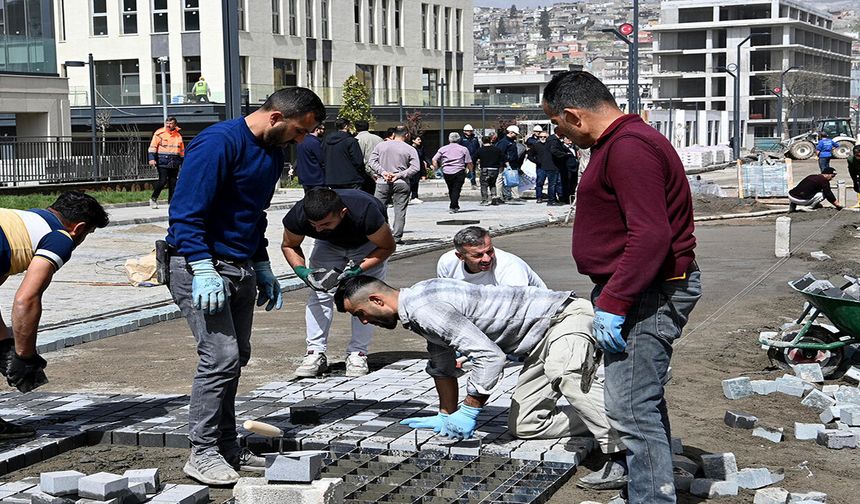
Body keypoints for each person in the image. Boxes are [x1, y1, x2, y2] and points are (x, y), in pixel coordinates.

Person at [542, 70, 701, 504]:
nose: (559, 134)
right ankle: (650, 486)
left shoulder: (628, 148)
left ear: (573, 115)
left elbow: (651, 235)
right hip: (637, 289)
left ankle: (652, 498)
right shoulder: (621, 143)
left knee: (630, 408)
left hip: (646, 292)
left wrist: (614, 299)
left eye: (557, 124)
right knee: (639, 401)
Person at [166, 87, 325, 485]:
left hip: (239, 266)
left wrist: (262, 265)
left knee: (237, 357)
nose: (301, 141)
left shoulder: (271, 154)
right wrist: (202, 267)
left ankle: (225, 446)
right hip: (199, 265)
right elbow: (185, 212)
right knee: (219, 357)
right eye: (299, 131)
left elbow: (252, 216)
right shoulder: (219, 143)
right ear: (275, 117)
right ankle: (201, 450)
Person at [335, 276, 628, 491]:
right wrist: (445, 415)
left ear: (376, 300)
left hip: (563, 318)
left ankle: (622, 456)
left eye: (360, 314)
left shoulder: (425, 308)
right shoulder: (416, 309)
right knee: (526, 426)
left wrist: (470, 410)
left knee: (566, 374)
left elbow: (490, 358)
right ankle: (617, 412)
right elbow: (442, 365)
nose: (363, 322)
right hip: (538, 341)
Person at [0, 192, 108, 437]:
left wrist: (4, 344)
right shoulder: (60, 237)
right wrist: (24, 357)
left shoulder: (20, 223)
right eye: (87, 234)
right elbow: (26, 299)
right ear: (79, 228)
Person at [282, 188, 396, 378]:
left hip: (368, 244)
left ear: (342, 213)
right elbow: (289, 245)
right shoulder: (299, 215)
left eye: (325, 223)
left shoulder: (366, 212)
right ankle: (315, 353)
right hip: (328, 245)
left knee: (366, 297)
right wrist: (302, 271)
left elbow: (388, 246)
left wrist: (358, 270)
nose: (317, 229)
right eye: (313, 225)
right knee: (319, 293)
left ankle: (358, 353)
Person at [437, 226, 545, 288]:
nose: (487, 259)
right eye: (478, 255)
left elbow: (517, 307)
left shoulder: (510, 267)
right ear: (460, 256)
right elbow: (446, 298)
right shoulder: (447, 263)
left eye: (490, 251)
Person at [369, 125, 420, 244]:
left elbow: (371, 161)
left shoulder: (381, 145)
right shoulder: (410, 149)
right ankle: (397, 237)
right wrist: (400, 174)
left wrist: (383, 172)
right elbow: (416, 167)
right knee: (400, 211)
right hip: (401, 182)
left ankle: (381, 235)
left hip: (383, 181)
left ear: (393, 134)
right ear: (406, 135)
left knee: (378, 209)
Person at [148, 117, 185, 209]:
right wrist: (152, 159)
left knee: (173, 182)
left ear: (175, 124)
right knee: (163, 181)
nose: (168, 125)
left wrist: (184, 161)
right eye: (167, 123)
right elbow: (153, 147)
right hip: (162, 161)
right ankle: (153, 198)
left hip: (175, 161)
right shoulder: (159, 133)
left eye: (171, 123)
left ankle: (171, 202)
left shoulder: (178, 135)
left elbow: (181, 150)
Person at [324, 118, 369, 192]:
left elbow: (323, 158)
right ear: (346, 126)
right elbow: (358, 161)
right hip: (351, 179)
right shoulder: (351, 141)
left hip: (332, 179)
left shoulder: (326, 141)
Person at [432, 132, 473, 214]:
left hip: (447, 171)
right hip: (459, 171)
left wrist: (436, 169)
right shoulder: (463, 149)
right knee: (456, 189)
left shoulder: (443, 149)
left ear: (449, 139)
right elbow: (469, 162)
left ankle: (455, 205)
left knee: (451, 188)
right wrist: (471, 171)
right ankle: (453, 206)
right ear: (459, 139)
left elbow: (434, 159)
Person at [531, 130, 562, 205]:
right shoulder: (536, 145)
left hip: (550, 166)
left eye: (545, 137)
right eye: (540, 137)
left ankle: (553, 198)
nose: (542, 138)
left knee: (553, 183)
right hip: (540, 167)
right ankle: (539, 197)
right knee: (540, 182)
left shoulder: (550, 144)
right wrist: (537, 161)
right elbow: (530, 155)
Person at [474, 136, 504, 206]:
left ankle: (485, 200)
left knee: (484, 185)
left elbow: (474, 158)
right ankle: (494, 198)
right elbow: (503, 157)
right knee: (492, 184)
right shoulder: (497, 149)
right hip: (495, 170)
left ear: (482, 141)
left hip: (485, 169)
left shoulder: (480, 150)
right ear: (490, 141)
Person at [495, 125, 522, 202]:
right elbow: (500, 154)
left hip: (512, 163)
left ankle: (515, 196)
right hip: (505, 164)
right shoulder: (504, 142)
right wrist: (505, 163)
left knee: (513, 179)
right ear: (510, 132)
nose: (516, 136)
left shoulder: (510, 142)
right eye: (515, 134)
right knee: (500, 180)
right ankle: (499, 196)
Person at [295, 124, 325, 192]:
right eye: (322, 129)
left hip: (304, 178)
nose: (323, 131)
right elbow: (322, 160)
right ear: (317, 130)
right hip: (316, 179)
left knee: (308, 199)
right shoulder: (315, 143)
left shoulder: (300, 141)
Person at [460, 124, 481, 190]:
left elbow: (478, 148)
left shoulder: (475, 139)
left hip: (473, 157)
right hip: (464, 158)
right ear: (464, 131)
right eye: (468, 131)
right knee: (462, 171)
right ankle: (460, 184)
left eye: (470, 131)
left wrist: (478, 157)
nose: (469, 132)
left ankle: (473, 184)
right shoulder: (461, 139)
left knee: (472, 171)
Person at [409, 135, 427, 204]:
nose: (420, 141)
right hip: (412, 168)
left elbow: (422, 160)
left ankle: (414, 196)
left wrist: (424, 173)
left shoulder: (420, 148)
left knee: (415, 183)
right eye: (418, 139)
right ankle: (412, 196)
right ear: (413, 140)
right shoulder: (410, 149)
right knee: (412, 183)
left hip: (418, 169)